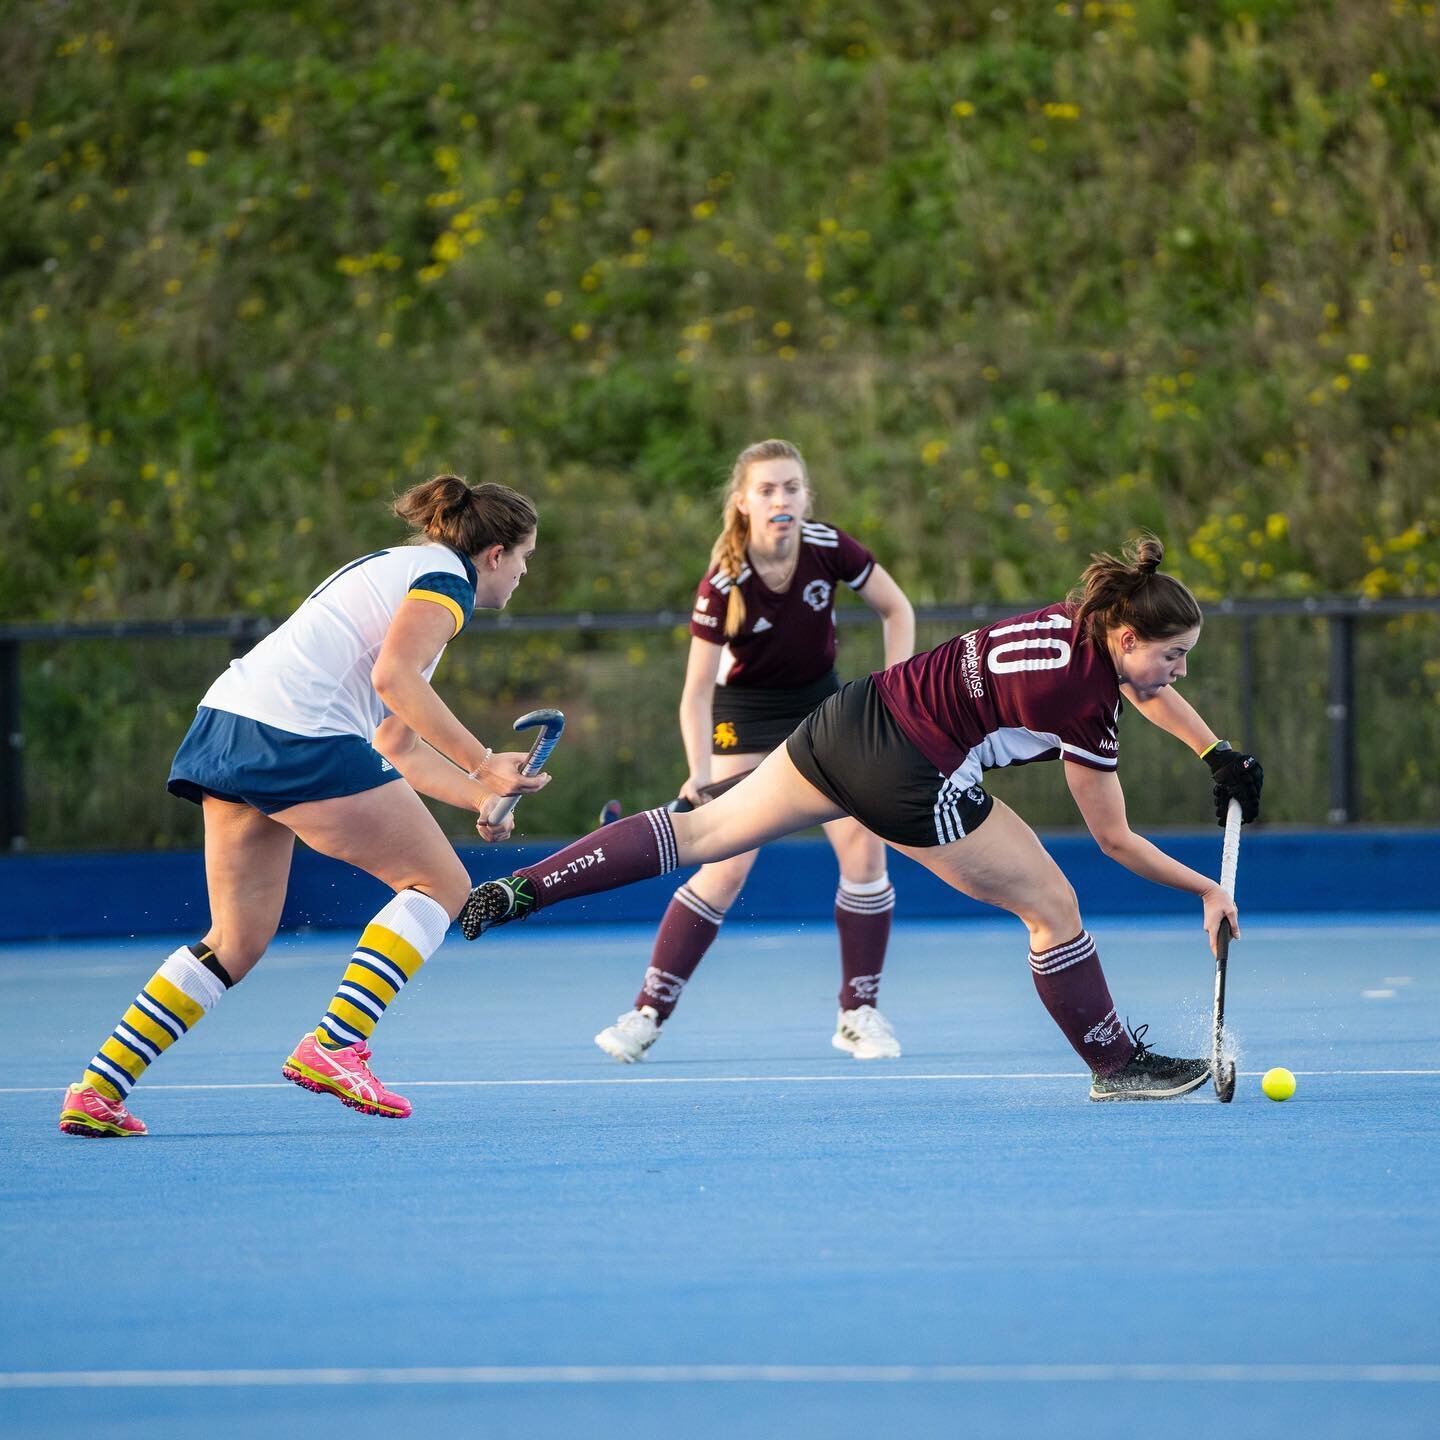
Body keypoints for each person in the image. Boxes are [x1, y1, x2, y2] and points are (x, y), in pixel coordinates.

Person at [462, 536, 1265, 1102]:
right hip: (912, 776)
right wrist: (1206, 890)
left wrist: (1213, 750)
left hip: (848, 720)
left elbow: (1141, 685)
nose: (1179, 671)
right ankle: (1115, 1064)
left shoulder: (1078, 619)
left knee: (700, 835)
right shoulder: (1085, 702)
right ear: (1126, 637)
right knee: (1052, 908)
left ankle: (520, 890)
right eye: (1174, 655)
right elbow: (1115, 840)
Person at [57, 475, 550, 1136]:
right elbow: (392, 680)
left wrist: (482, 792)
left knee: (235, 941)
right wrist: (483, 760)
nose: (522, 576)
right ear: (495, 555)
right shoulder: (446, 583)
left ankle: (98, 1089)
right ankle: (336, 1045)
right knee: (441, 884)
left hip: (229, 726)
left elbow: (396, 743)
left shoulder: (406, 574)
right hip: (296, 735)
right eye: (524, 561)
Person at [594, 438, 916, 1064]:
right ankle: (646, 1013)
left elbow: (896, 608)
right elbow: (693, 696)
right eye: (767, 490)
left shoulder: (828, 547)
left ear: (806, 497)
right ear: (742, 503)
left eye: (792, 488)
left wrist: (895, 697)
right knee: (727, 863)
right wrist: (697, 773)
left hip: (820, 710)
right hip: (742, 719)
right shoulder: (723, 582)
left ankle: (859, 1014)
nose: (781, 500)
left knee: (863, 847)